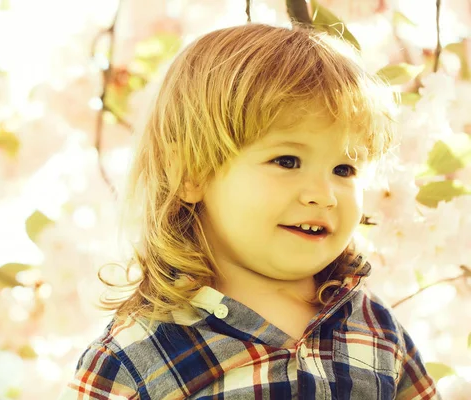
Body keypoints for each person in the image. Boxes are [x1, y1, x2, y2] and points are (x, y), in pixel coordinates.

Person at [58, 23, 441, 399]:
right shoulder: (135, 357)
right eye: (287, 161)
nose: (324, 195)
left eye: (344, 169)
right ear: (190, 173)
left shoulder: (373, 323)